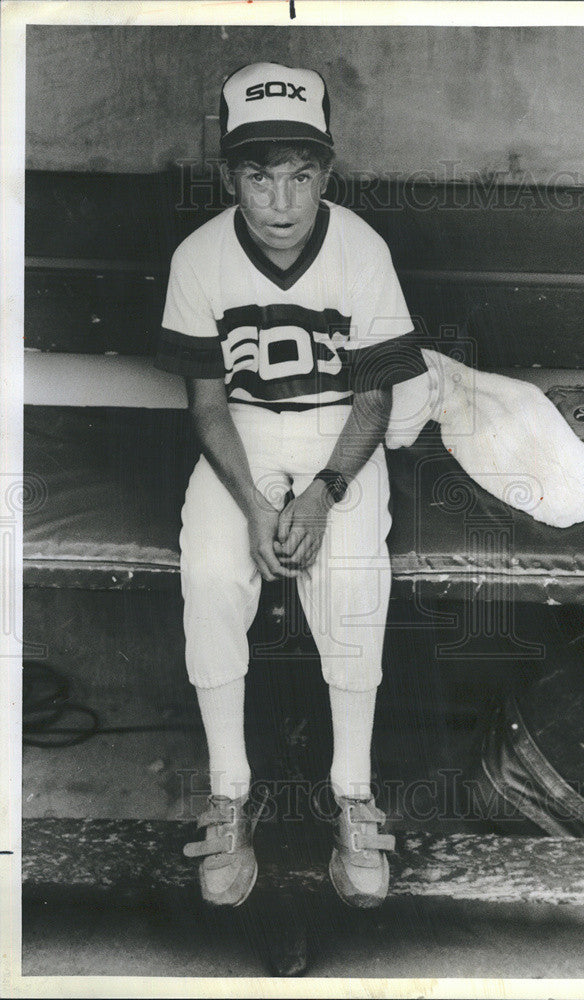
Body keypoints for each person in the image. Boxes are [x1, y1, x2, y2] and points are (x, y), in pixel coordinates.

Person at [155, 61, 421, 909]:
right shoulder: (199, 256)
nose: (281, 201)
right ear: (230, 175)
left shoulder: (362, 249)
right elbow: (206, 407)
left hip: (339, 436)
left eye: (302, 175)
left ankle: (352, 794)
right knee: (209, 571)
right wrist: (256, 504)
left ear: (327, 174)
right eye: (259, 175)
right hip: (244, 437)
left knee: (348, 578)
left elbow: (376, 400)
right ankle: (230, 791)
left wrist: (319, 497)